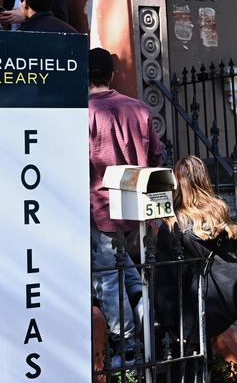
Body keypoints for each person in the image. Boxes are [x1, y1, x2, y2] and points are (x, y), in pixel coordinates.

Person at [88, 47, 163, 368]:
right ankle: (147, 318)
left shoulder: (80, 113)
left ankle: (128, 345)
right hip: (135, 211)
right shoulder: (140, 109)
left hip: (100, 211)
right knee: (126, 270)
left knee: (107, 278)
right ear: (112, 75)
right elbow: (158, 159)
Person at [155, 156, 237, 375]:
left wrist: (168, 324)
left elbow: (165, 283)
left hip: (183, 323)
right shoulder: (222, 220)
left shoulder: (176, 226)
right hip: (216, 313)